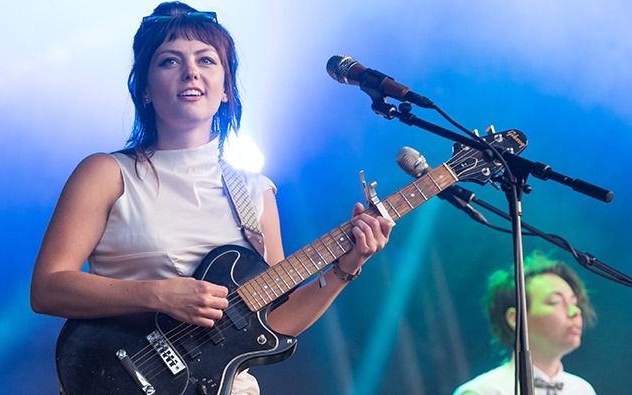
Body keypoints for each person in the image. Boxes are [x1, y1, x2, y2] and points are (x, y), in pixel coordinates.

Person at [29, 2, 394, 394]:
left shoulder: (255, 191)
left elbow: (274, 322)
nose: (191, 73)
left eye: (207, 60)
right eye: (170, 61)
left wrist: (345, 268)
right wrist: (159, 294)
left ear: (226, 89)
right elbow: (47, 289)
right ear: (146, 89)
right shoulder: (106, 173)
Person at [453, 252, 597, 395]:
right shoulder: (482, 391)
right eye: (556, 302)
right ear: (515, 318)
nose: (575, 311)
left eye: (574, 303)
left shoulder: (582, 390)